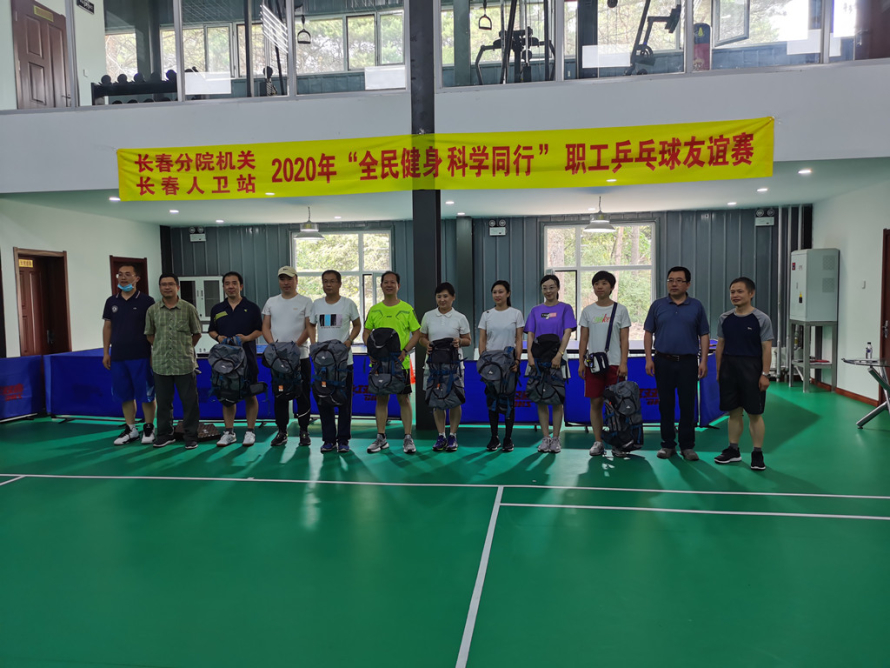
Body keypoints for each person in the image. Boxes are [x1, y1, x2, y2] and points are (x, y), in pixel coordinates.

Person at [644, 266, 710, 461]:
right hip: (663, 361)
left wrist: (704, 360)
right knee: (665, 405)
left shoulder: (696, 306)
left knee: (688, 405)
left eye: (679, 280)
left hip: (688, 363)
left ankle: (687, 446)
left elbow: (704, 335)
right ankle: (667, 444)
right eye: (670, 280)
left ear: (687, 284)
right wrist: (649, 358)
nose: (674, 284)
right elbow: (648, 332)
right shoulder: (658, 305)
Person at [714, 277, 773, 471]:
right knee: (733, 412)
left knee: (754, 414)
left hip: (752, 369)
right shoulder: (724, 318)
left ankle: (757, 453)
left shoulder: (761, 319)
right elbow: (720, 346)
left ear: (751, 293)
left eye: (740, 291)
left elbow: (766, 348)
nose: (735, 295)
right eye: (732, 292)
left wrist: (765, 374)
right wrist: (719, 371)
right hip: (729, 369)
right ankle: (733, 450)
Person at [362, 271, 421, 454]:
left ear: (398, 286)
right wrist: (371, 351)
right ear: (381, 285)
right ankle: (381, 438)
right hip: (380, 364)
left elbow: (417, 333)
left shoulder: (406, 309)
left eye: (392, 282)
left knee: (404, 398)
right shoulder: (375, 309)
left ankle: (408, 438)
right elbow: (366, 332)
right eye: (386, 282)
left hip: (399, 364)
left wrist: (405, 351)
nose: (389, 285)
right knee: (381, 399)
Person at [144, 273, 202, 450]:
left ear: (177, 287)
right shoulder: (152, 310)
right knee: (163, 403)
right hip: (161, 365)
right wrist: (161, 348)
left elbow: (197, 333)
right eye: (163, 284)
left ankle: (191, 436)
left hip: (184, 364)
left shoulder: (188, 308)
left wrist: (184, 349)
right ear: (160, 288)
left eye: (170, 284)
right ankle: (164, 435)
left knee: (190, 403)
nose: (167, 287)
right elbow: (150, 335)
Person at [102, 264, 157, 445]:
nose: (123, 278)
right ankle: (131, 429)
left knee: (146, 394)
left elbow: (154, 329)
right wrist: (106, 352)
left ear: (136, 278)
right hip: (118, 356)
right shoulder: (111, 301)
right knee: (125, 395)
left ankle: (149, 427)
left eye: (127, 274)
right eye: (120, 274)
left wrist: (153, 353)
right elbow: (107, 327)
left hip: (141, 355)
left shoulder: (147, 301)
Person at [308, 270, 361, 454]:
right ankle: (329, 440)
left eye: (332, 281)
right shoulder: (317, 304)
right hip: (323, 365)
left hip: (344, 364)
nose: (328, 284)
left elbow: (357, 325)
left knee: (344, 402)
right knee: (324, 400)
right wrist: (313, 343)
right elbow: (310, 324)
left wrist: (349, 341)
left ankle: (343, 440)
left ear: (339, 283)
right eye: (325, 281)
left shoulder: (348, 304)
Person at [578, 271, 631, 457]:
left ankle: (618, 442)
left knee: (616, 405)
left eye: (604, 283)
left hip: (615, 364)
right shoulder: (588, 311)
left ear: (611, 287)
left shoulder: (621, 310)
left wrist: (624, 363)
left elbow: (624, 340)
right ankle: (598, 441)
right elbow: (583, 339)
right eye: (596, 284)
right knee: (596, 402)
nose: (599, 287)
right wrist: (581, 362)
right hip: (593, 365)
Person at [208, 271, 264, 447]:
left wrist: (247, 338)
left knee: (250, 395)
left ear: (241, 286)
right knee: (227, 396)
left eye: (234, 283)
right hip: (224, 362)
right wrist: (218, 338)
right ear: (223, 287)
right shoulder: (217, 309)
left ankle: (250, 431)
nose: (230, 286)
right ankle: (229, 432)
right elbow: (211, 330)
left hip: (247, 360)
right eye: (227, 283)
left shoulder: (252, 308)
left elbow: (260, 330)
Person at [261, 266, 313, 448]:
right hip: (278, 360)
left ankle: (304, 431)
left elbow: (309, 327)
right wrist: (274, 347)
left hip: (301, 358)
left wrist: (294, 347)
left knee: (303, 395)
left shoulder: (306, 302)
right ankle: (282, 432)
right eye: (282, 279)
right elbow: (265, 326)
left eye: (289, 279)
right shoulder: (271, 302)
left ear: (296, 280)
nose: (286, 282)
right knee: (280, 395)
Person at [526, 274, 576, 454]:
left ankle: (556, 439)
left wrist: (559, 354)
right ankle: (545, 438)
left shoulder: (565, 308)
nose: (548, 291)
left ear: (558, 288)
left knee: (556, 399)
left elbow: (567, 332)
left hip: (557, 358)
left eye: (552, 287)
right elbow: (530, 334)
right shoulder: (535, 310)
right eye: (545, 288)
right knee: (540, 399)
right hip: (538, 359)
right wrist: (529, 355)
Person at [419, 282, 472, 452]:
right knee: (437, 401)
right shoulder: (428, 316)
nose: (442, 299)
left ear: (453, 297)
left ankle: (453, 436)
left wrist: (459, 341)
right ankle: (441, 435)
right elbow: (421, 337)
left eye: (445, 296)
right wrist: (426, 344)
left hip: (454, 366)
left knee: (454, 401)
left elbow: (468, 340)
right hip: (433, 366)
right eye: (439, 296)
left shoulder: (460, 317)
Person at [478, 280, 524, 452]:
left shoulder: (516, 314)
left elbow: (518, 339)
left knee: (508, 400)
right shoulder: (486, 315)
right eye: (494, 292)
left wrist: (517, 361)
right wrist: (483, 361)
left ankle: (508, 438)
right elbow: (482, 339)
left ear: (508, 293)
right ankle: (494, 437)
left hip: (509, 364)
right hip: (491, 364)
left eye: (501, 291)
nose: (497, 295)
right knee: (492, 401)